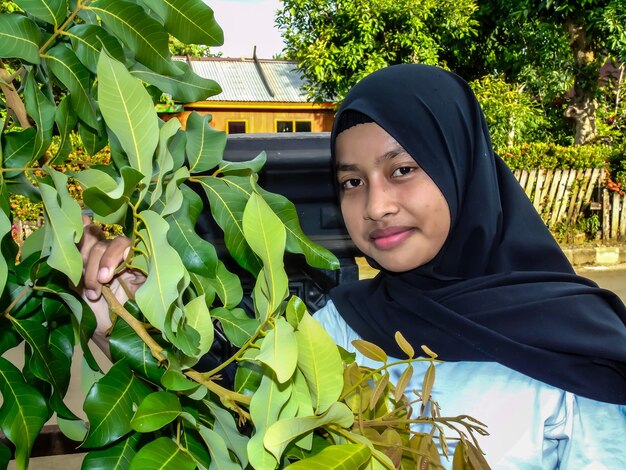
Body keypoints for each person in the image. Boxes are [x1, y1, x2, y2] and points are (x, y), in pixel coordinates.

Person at [80, 64, 626, 468]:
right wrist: (126, 309)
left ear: (462, 168)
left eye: (404, 169)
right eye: (351, 182)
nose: (375, 206)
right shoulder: (338, 329)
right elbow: (230, 408)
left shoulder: (579, 348)